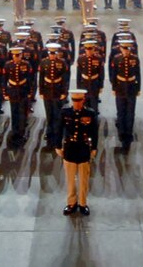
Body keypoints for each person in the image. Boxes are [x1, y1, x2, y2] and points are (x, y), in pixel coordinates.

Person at [57, 89, 99, 217]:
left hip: (83, 148)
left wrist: (94, 148)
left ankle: (82, 203)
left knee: (83, 179)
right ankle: (71, 202)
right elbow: (58, 129)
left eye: (79, 100)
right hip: (70, 148)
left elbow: (94, 132)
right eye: (74, 101)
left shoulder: (89, 113)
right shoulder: (65, 112)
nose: (76, 103)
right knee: (70, 178)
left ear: (83, 100)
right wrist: (58, 145)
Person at [109, 38, 140, 152]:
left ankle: (129, 132)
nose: (126, 51)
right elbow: (113, 74)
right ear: (121, 49)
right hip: (120, 87)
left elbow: (138, 74)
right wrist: (114, 87)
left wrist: (138, 88)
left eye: (128, 49)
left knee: (130, 112)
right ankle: (122, 133)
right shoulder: (116, 59)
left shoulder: (135, 59)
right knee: (121, 111)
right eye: (124, 49)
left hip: (131, 87)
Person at [3, 45, 33, 147]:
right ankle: (14, 131)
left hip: (23, 91)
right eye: (14, 55)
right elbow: (5, 80)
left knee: (22, 113)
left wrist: (30, 92)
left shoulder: (26, 64)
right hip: (13, 91)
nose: (16, 57)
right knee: (14, 112)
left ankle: (21, 132)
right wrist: (5, 93)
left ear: (21, 55)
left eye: (18, 55)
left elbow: (30, 79)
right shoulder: (8, 65)